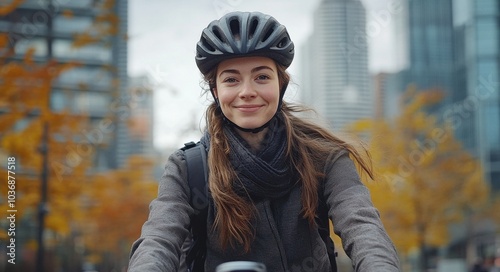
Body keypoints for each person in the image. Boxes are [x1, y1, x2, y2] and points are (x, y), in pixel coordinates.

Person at [128, 11, 400, 272]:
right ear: (215, 90)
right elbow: (158, 241)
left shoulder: (324, 157)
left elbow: (363, 228)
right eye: (231, 79)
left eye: (261, 77)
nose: (247, 92)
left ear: (281, 85)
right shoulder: (189, 169)